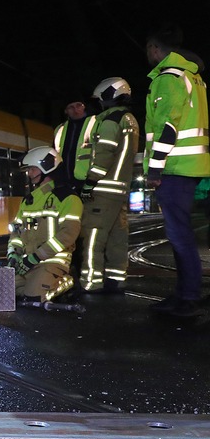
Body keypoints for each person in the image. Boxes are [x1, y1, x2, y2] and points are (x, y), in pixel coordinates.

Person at [143, 24, 210, 317]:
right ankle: (184, 293)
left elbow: (167, 126)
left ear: (156, 49)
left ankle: (188, 298)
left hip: (174, 167)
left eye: (148, 49)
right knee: (180, 233)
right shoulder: (192, 77)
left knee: (179, 235)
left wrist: (155, 169)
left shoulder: (168, 79)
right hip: (190, 165)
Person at [78, 77, 139, 293]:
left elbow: (104, 153)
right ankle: (115, 279)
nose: (100, 103)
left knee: (94, 236)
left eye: (101, 98)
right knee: (117, 237)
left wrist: (90, 182)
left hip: (103, 189)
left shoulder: (111, 119)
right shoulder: (129, 119)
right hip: (120, 189)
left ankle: (91, 283)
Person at [6, 147, 82, 302]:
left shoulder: (68, 199)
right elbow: (16, 232)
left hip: (53, 262)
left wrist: (37, 256)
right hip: (26, 263)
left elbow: (67, 235)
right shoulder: (28, 201)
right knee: (6, 293)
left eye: (33, 169)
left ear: (47, 168)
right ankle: (35, 285)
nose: (30, 174)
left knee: (34, 297)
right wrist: (13, 253)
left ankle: (67, 281)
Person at [53, 100, 97, 187]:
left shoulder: (96, 122)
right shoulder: (60, 128)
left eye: (78, 105)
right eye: (71, 107)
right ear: (66, 111)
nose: (75, 109)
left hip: (88, 180)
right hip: (64, 181)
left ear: (84, 106)